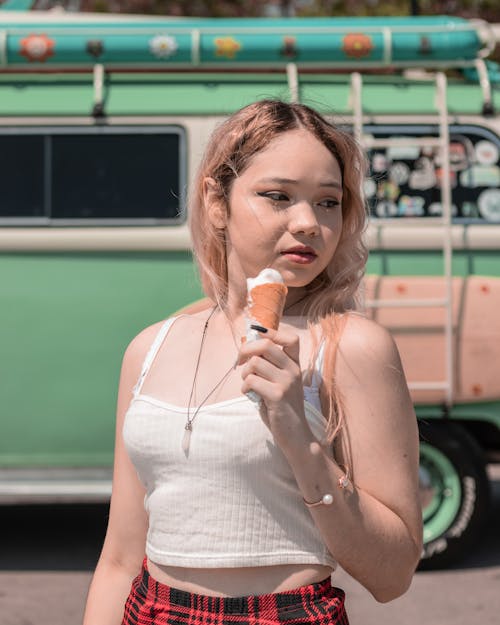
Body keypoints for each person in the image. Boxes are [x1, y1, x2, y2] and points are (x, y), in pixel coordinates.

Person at [83, 99, 422, 625]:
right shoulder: (150, 347)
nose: (308, 222)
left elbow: (393, 573)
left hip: (284, 614)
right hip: (150, 611)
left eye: (328, 202)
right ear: (217, 201)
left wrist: (300, 439)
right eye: (278, 196)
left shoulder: (354, 347)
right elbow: (121, 559)